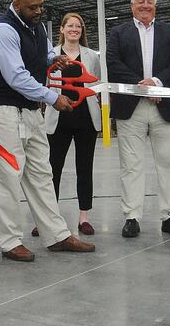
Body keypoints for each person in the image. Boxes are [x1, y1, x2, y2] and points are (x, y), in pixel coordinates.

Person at [0, 0, 95, 262]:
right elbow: (16, 76)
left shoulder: (38, 27)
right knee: (8, 176)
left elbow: (42, 55)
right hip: (2, 110)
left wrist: (53, 60)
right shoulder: (3, 30)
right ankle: (9, 242)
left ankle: (56, 235)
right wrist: (52, 98)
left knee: (42, 174)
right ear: (16, 4)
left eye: (41, 5)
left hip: (30, 111)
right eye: (33, 7)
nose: (39, 11)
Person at [106, 0, 170, 239]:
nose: (145, 5)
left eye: (149, 2)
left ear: (155, 5)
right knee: (131, 165)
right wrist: (141, 85)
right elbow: (112, 62)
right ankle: (132, 217)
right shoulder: (118, 32)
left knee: (167, 163)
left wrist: (157, 82)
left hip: (163, 105)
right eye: (140, 2)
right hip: (131, 106)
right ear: (132, 6)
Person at [43, 12, 102, 235]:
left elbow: (96, 83)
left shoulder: (91, 56)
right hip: (58, 118)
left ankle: (83, 217)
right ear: (62, 29)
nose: (74, 29)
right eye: (70, 26)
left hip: (86, 118)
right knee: (52, 170)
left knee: (84, 169)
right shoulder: (52, 55)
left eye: (78, 26)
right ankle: (48, 218)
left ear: (82, 31)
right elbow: (45, 82)